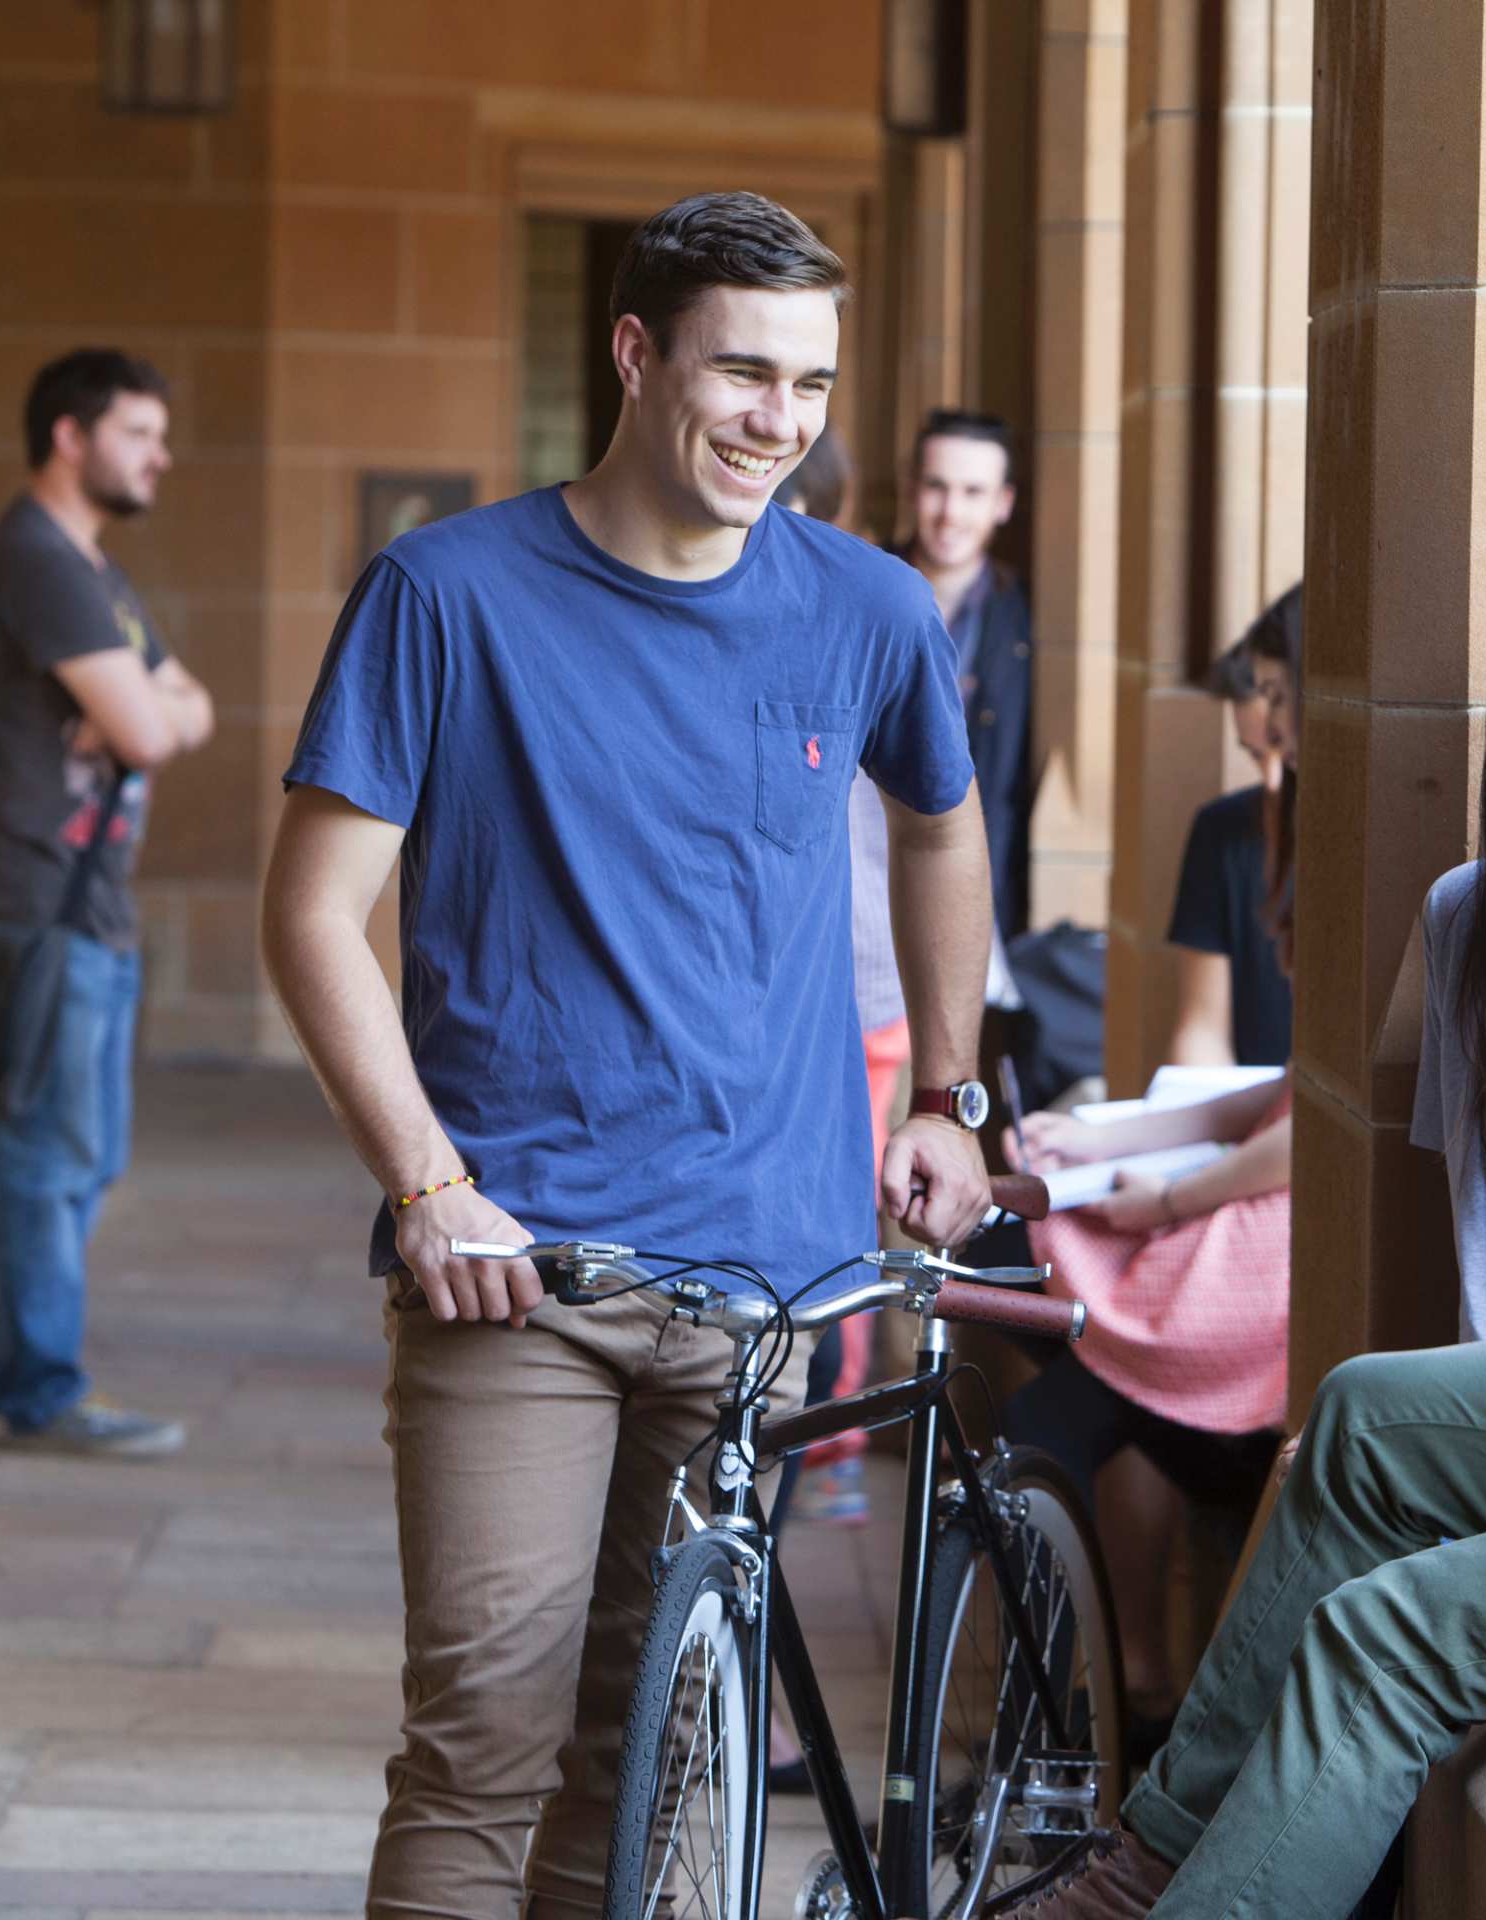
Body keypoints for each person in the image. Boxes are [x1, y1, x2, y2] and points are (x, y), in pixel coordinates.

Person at [259, 192, 998, 1918]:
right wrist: (430, 1188)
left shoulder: (873, 611)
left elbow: (945, 831)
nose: (780, 423)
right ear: (634, 351)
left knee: (657, 1758)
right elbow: (311, 917)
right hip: (516, 1278)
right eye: (743, 374)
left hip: (768, 1280)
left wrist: (956, 1097)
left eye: (812, 385)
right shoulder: (446, 594)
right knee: (483, 1748)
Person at [1001, 573, 1486, 1920]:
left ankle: (1149, 1878)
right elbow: (1485, 1257)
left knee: (1373, 1503)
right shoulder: (1470, 924)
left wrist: (1453, 1438)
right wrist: (1423, 1438)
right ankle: (1147, 1867)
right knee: (1364, 1411)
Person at [1004, 588, 1304, 1742]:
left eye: (1277, 695)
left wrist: (1170, 1189)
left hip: (1277, 1220)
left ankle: (1077, 1714)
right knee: (1038, 1268)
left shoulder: (1354, 845)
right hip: (1241, 1171)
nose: (1256, 721)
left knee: (1074, 1386)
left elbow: (1320, 1121)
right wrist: (1118, 1138)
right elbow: (1231, 1069)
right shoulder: (1248, 833)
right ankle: (1088, 1693)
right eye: (1257, 696)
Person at [0, 348, 216, 1456]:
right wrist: (143, 712)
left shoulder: (90, 570)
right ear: (70, 434)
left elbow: (185, 701)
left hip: (86, 906)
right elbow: (155, 727)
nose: (162, 455)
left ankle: (27, 1374)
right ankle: (40, 1387)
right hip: (37, 907)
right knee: (50, 1159)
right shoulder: (43, 560)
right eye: (140, 433)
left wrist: (146, 708)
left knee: (84, 1159)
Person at [774, 430, 895, 1531]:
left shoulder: (858, 619)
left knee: (839, 1222)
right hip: (771, 983)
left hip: (864, 981)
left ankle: (838, 1434)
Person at [906, 407, 1035, 939]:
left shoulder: (1029, 622)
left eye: (973, 492)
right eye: (937, 487)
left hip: (978, 891)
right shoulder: (861, 596)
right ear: (912, 489)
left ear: (1003, 503)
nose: (950, 512)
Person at [1160, 589, 1302, 1069]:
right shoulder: (1220, 832)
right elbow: (1200, 1030)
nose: (1273, 779)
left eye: (1283, 747)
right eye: (1255, 754)